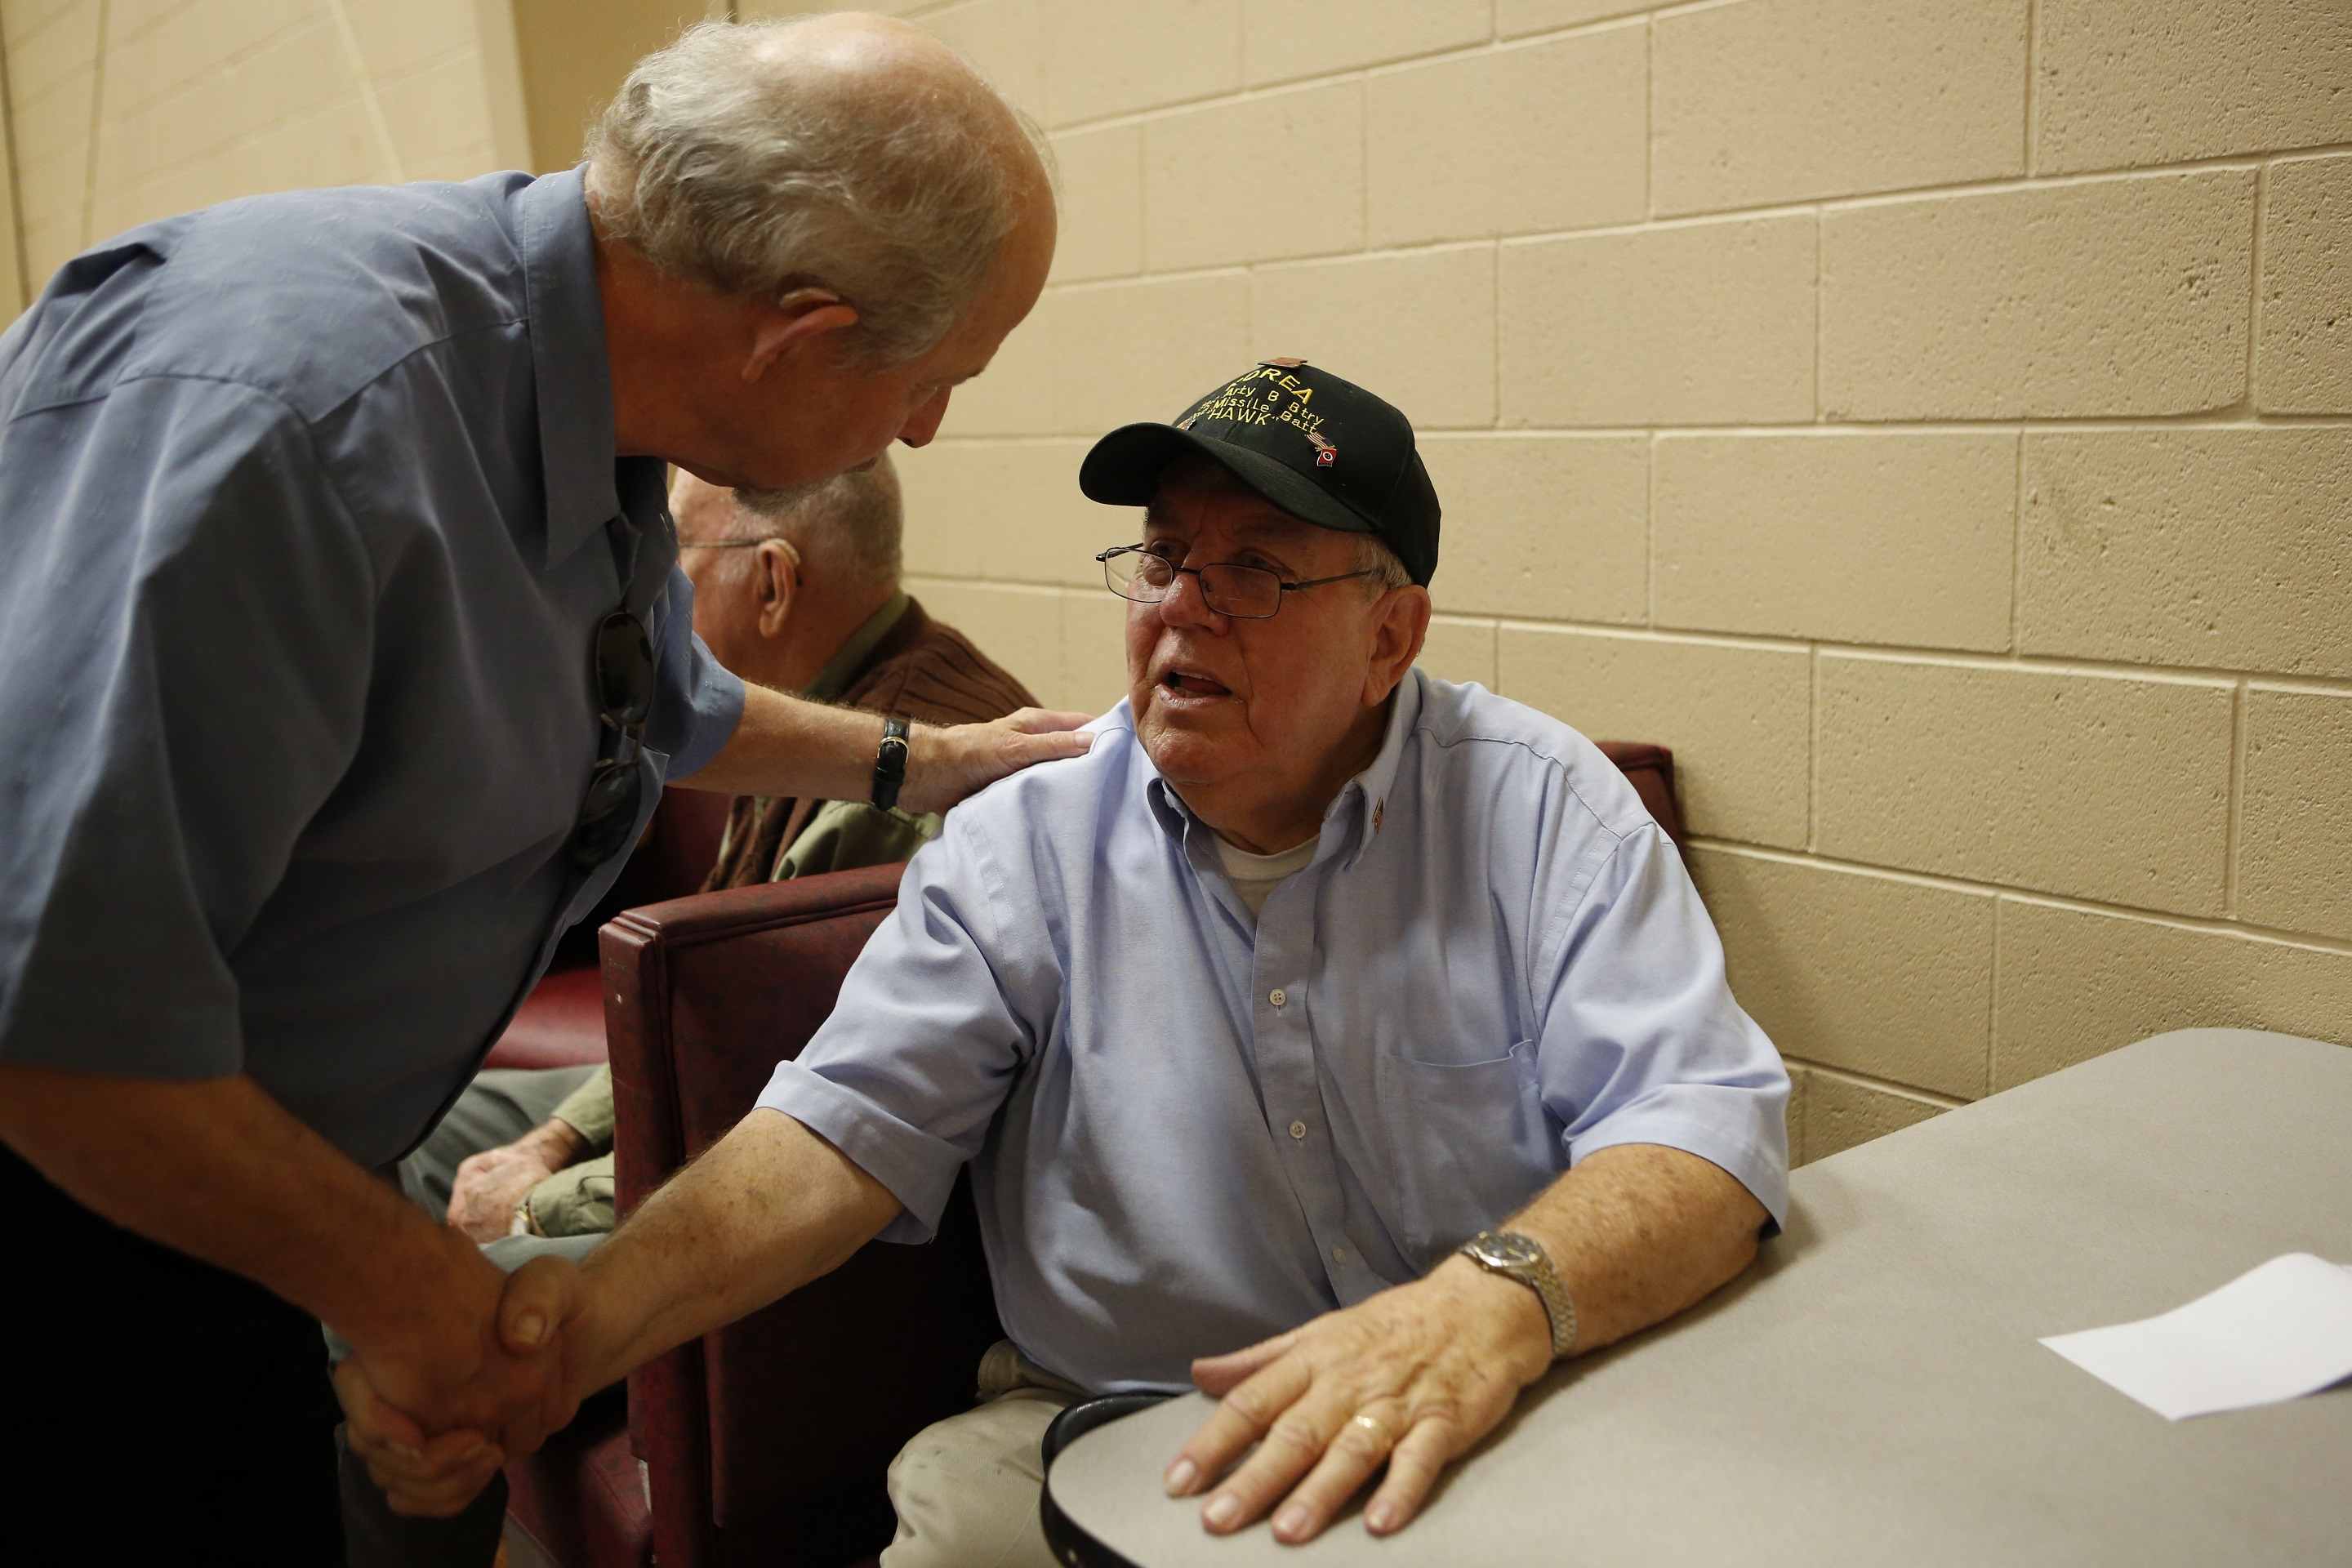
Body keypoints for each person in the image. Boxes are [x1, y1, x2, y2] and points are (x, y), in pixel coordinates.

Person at [346, 363, 1790, 1561]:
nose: (1182, 607)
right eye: (1163, 558)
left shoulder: (1537, 809)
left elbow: (1705, 1135)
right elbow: (831, 1138)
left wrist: (1488, 1304)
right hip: (1136, 1428)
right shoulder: (1026, 841)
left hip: (1494, 1390)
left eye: (1256, 572)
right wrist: (573, 1333)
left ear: (1389, 636)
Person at [0, 16, 1082, 1565]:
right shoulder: (300, 420)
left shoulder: (587, 395)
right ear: (798, 333)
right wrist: (414, 1297)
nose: (926, 428)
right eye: (931, 380)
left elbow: (649, 701)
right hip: (68, 1211)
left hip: (244, 1196)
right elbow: (55, 1018)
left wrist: (933, 758)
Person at [421, 457, 1039, 1250]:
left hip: (771, 1171)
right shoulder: (815, 708)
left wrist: (534, 1203)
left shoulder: (890, 797)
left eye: (673, 561)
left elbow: (789, 1118)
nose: (649, 603)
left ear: (772, 584)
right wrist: (556, 1139)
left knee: (442, 1267)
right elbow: (697, 1003)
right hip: (696, 1090)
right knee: (415, 1127)